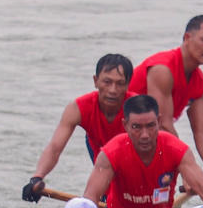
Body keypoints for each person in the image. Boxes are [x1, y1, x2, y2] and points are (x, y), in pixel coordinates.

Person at [129, 16, 203, 194]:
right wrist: (190, 172)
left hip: (149, 141)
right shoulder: (162, 70)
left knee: (161, 199)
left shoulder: (200, 84)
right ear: (186, 38)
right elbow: (163, 124)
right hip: (116, 136)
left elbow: (202, 132)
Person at [22, 54, 135, 197]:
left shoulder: (139, 109)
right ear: (95, 81)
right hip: (100, 150)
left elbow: (158, 148)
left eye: (120, 83)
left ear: (128, 84)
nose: (113, 90)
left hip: (133, 155)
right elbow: (55, 148)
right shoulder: (78, 108)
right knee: (106, 192)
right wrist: (37, 177)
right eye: (107, 82)